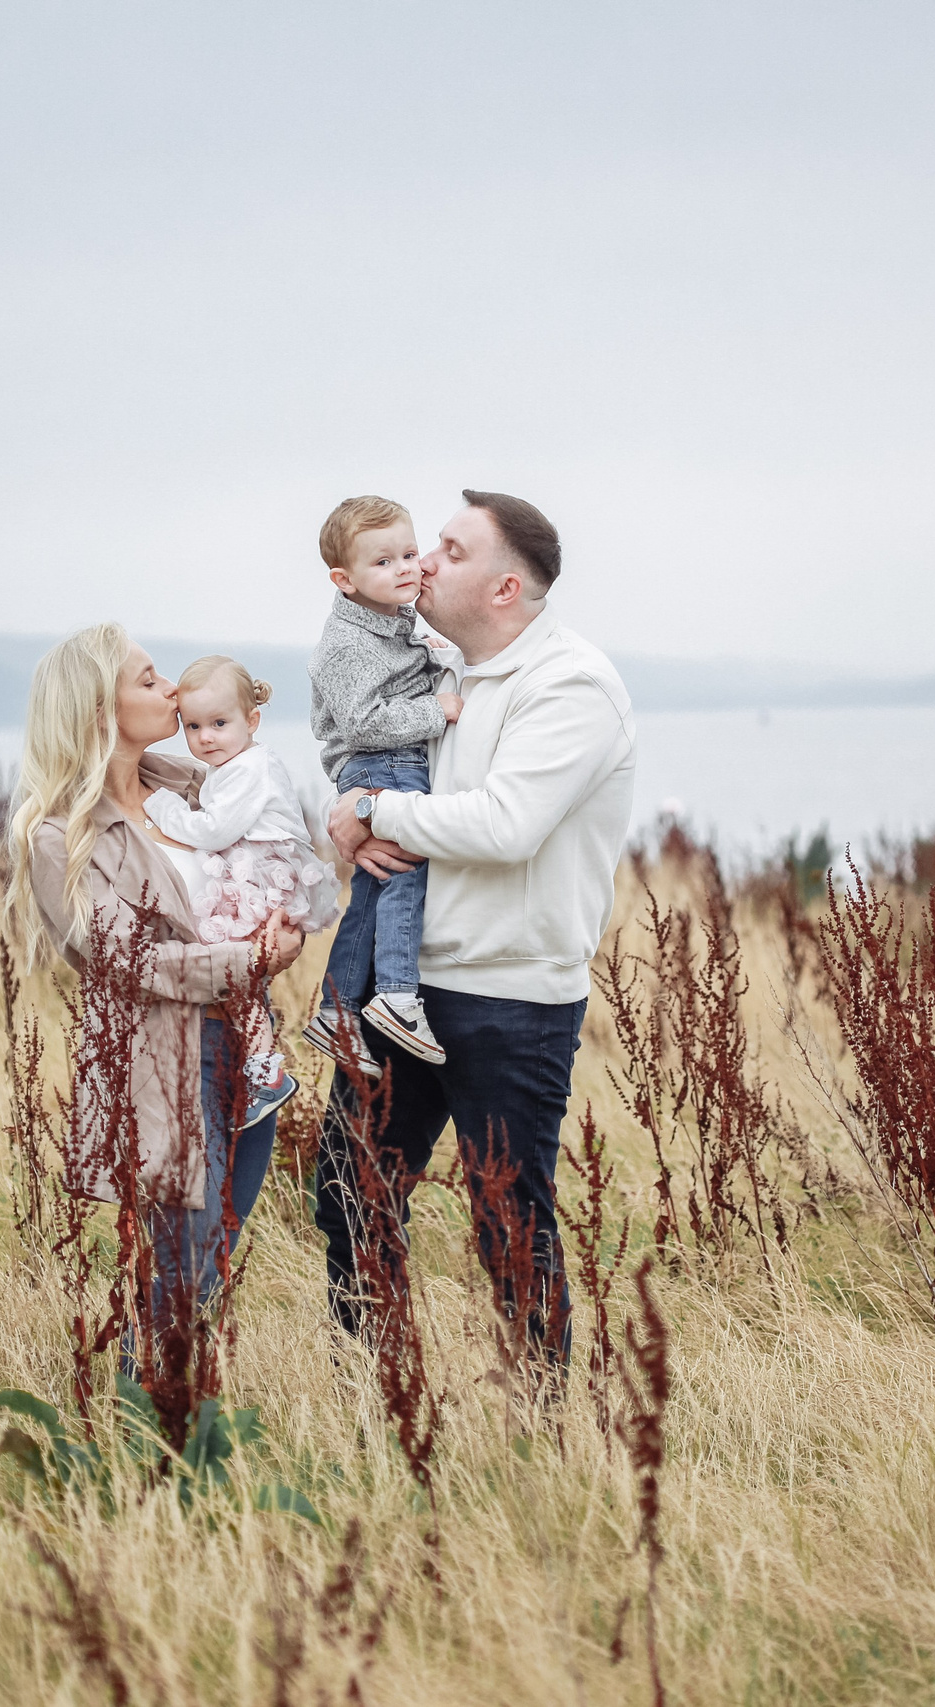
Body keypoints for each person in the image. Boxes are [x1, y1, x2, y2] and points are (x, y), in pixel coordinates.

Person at [315, 491, 636, 1360]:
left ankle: (538, 1435)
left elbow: (503, 826)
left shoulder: (571, 683)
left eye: (449, 551)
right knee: (349, 1187)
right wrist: (354, 812)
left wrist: (376, 810)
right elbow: (362, 767)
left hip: (511, 999)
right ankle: (377, 1401)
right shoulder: (443, 675)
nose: (423, 562)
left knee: (507, 1216)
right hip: (407, 992)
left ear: (504, 587)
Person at [3, 623, 307, 1321]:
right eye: (147, 680)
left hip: (248, 1047)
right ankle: (143, 1427)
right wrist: (248, 959)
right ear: (98, 714)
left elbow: (268, 849)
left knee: (211, 1265)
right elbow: (127, 962)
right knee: (181, 1271)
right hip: (164, 1064)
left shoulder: (197, 784)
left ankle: (188, 1422)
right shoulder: (59, 836)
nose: (170, 688)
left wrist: (285, 910)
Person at [301, 494, 465, 1076]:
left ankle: (337, 1010)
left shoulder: (389, 621)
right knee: (406, 866)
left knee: (371, 893)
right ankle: (396, 993)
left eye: (408, 552)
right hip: (380, 762)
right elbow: (364, 721)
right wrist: (437, 708)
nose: (403, 568)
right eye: (383, 562)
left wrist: (432, 654)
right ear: (344, 580)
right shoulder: (346, 643)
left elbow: (397, 670)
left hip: (386, 764)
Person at [143, 654, 338, 1125]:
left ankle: (266, 1069)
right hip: (254, 874)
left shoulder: (253, 768)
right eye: (192, 726)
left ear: (252, 720)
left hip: (264, 876)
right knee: (236, 970)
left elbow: (213, 830)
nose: (205, 737)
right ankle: (262, 1063)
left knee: (230, 962)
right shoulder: (232, 765)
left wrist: (164, 808)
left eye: (218, 723)